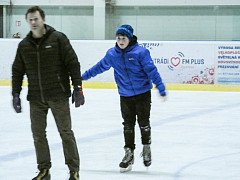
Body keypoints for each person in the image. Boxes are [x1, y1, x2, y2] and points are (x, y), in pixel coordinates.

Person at [12, 6, 84, 180]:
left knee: (66, 132)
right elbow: (17, 70)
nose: (33, 22)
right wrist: (15, 93)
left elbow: (73, 63)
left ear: (43, 19)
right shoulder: (24, 45)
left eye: (36, 19)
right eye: (30, 19)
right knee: (38, 135)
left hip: (58, 94)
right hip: (36, 97)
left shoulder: (58, 39)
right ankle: (44, 170)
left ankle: (74, 170)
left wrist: (78, 88)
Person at [81, 24, 167, 172]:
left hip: (142, 94)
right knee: (128, 125)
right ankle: (129, 153)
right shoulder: (112, 54)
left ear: (130, 38)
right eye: (118, 38)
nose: (121, 41)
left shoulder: (141, 53)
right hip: (125, 95)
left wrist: (160, 86)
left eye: (124, 38)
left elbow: (151, 70)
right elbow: (98, 67)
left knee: (143, 123)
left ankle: (146, 148)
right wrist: (82, 77)